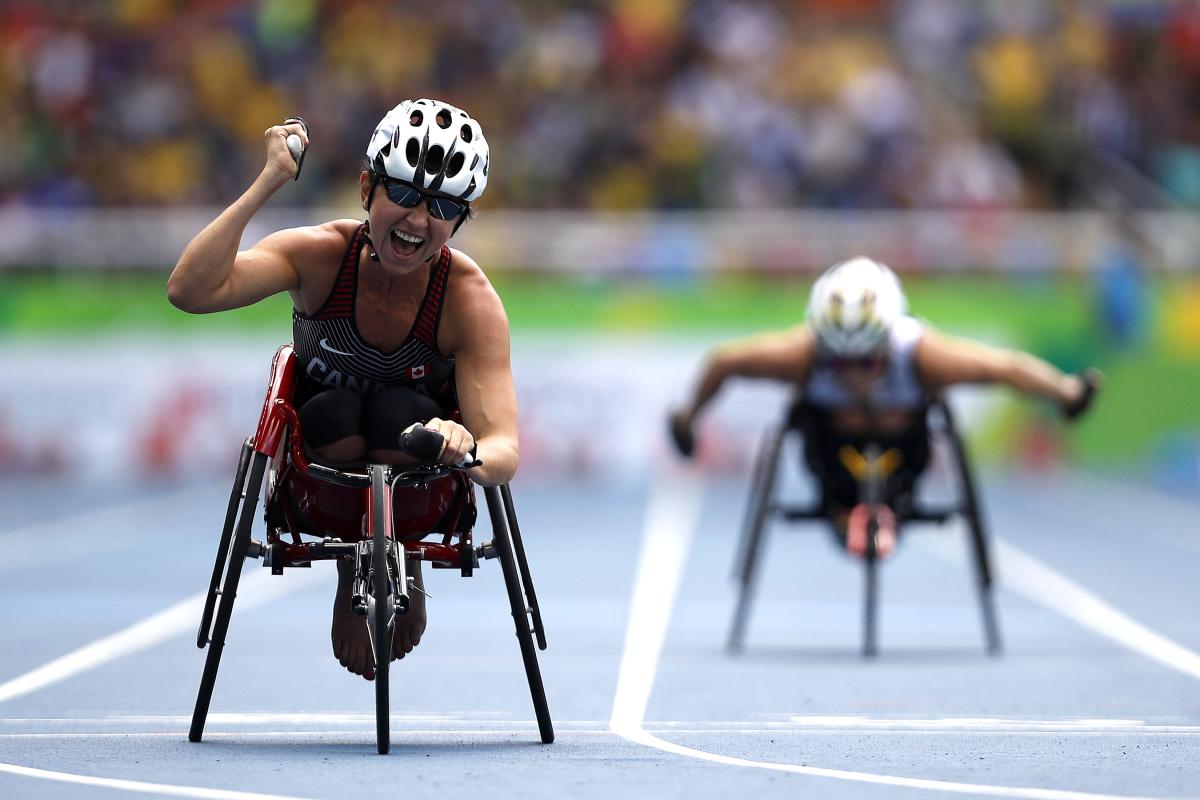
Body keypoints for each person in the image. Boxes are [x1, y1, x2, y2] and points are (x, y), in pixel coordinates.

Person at [167, 99, 518, 679]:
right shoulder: (320, 256)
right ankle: (349, 571)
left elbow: (504, 448)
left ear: (459, 221)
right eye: (403, 194)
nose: (417, 220)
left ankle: (404, 561)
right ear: (365, 189)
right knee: (333, 408)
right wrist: (269, 181)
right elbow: (191, 291)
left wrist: (467, 446)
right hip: (317, 482)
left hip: (417, 487)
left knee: (401, 410)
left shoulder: (468, 299)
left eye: (443, 207)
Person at [668, 257, 1099, 558]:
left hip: (905, 461)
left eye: (868, 361)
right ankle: (844, 511)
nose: (854, 375)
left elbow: (1004, 368)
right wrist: (688, 419)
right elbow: (723, 362)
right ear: (821, 341)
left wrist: (1067, 392)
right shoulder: (800, 353)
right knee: (823, 425)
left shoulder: (923, 354)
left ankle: (889, 506)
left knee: (905, 422)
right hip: (830, 462)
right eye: (839, 361)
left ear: (890, 340)